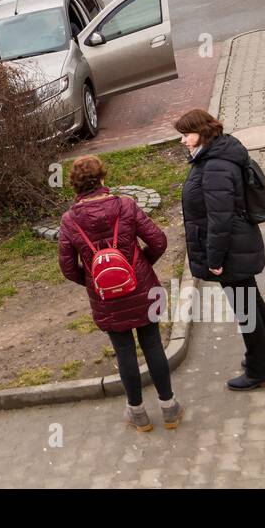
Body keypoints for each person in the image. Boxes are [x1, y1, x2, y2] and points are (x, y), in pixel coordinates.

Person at [58, 155, 181, 431]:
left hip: (106, 298)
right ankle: (169, 408)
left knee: (124, 352)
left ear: (75, 187)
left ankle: (138, 414)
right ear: (102, 179)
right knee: (153, 345)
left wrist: (95, 282)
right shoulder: (125, 205)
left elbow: (68, 268)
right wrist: (140, 269)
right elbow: (158, 241)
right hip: (142, 289)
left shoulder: (69, 221)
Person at [175, 109, 265, 390]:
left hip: (231, 248)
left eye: (187, 135)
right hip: (238, 242)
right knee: (252, 301)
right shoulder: (218, 155)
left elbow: (219, 219)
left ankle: (259, 372)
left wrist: (215, 259)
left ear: (202, 133)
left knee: (246, 307)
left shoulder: (214, 167)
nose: (184, 141)